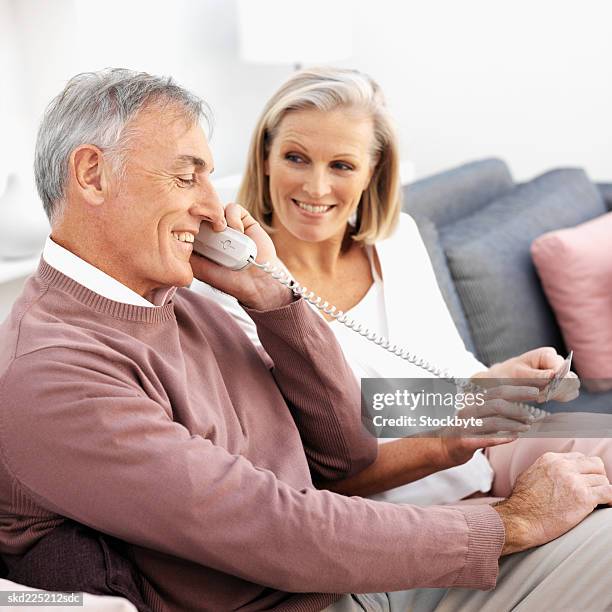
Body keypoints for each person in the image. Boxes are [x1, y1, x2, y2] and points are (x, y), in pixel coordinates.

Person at [0, 69, 611, 612]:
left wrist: (276, 299)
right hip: (394, 530)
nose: (214, 208)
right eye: (189, 177)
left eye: (342, 165)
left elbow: (352, 441)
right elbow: (292, 511)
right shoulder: (70, 361)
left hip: (435, 508)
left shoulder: (379, 250)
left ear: (372, 176)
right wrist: (479, 449)